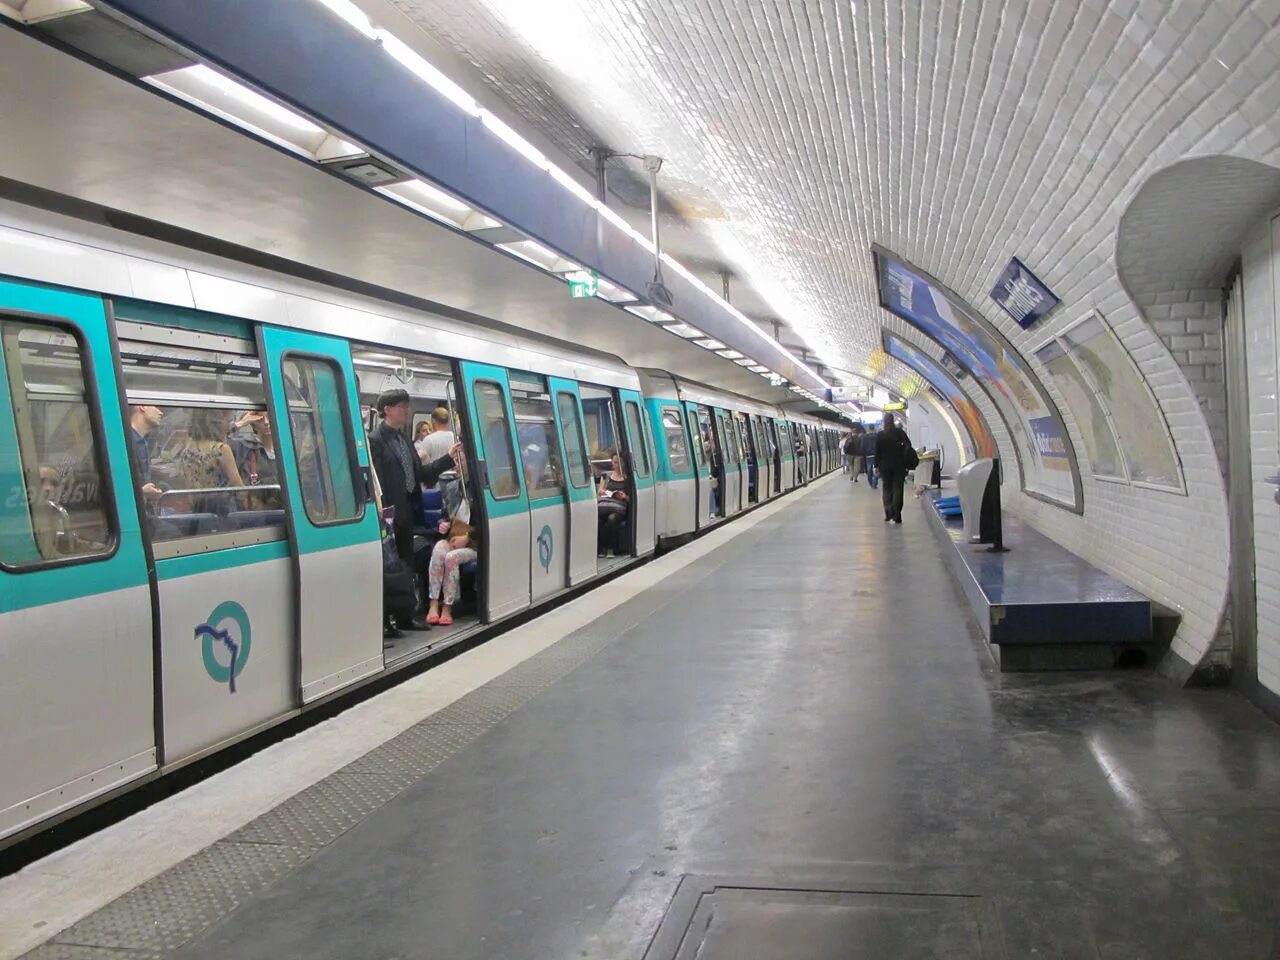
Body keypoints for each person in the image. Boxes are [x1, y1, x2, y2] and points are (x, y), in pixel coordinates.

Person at [426, 447, 477, 627]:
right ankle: (433, 603)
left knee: (451, 558)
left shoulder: (479, 491)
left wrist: (468, 537)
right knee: (439, 550)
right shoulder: (452, 488)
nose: (457, 467)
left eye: (461, 462)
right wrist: (443, 523)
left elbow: (486, 523)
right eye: (456, 462)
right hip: (454, 537)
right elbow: (445, 514)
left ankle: (447, 606)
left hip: (474, 543)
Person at [176, 409, 244, 516]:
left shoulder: (188, 448)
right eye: (229, 421)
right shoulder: (221, 449)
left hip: (197, 510)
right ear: (218, 423)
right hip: (222, 511)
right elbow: (240, 488)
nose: (229, 428)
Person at [230, 410, 282, 510]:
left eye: (269, 417)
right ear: (253, 425)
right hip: (257, 513)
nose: (266, 422)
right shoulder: (243, 448)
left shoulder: (285, 449)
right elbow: (219, 445)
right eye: (260, 419)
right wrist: (240, 423)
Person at [875, 413, 914, 524]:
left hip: (884, 466)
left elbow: (877, 451)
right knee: (898, 489)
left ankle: (888, 512)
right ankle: (897, 514)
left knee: (886, 488)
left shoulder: (881, 435)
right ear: (893, 420)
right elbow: (908, 446)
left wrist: (876, 465)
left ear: (884, 421)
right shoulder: (899, 433)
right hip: (899, 465)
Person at [596, 448, 629, 557]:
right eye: (614, 462)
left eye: (618, 462)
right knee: (599, 520)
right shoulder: (606, 476)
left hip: (620, 507)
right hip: (606, 504)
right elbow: (600, 491)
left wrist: (624, 497)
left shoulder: (627, 477)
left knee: (612, 519)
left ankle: (611, 549)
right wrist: (602, 492)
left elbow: (631, 498)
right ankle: (601, 549)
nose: (615, 465)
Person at [128, 404, 164, 503]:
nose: (160, 412)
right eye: (156, 407)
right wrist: (142, 492)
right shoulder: (124, 441)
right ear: (142, 406)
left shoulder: (145, 441)